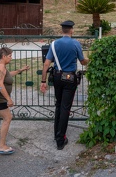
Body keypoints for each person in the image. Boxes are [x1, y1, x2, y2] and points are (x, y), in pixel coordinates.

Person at [40, 20, 89, 150]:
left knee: (58, 105)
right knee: (65, 108)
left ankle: (56, 134)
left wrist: (43, 81)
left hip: (57, 76)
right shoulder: (75, 44)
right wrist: (90, 59)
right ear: (71, 30)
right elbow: (83, 62)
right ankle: (61, 140)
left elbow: (46, 64)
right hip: (69, 78)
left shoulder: (54, 44)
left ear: (62, 31)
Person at [0, 47, 30, 155]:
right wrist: (8, 99)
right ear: (4, 56)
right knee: (7, 117)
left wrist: (21, 70)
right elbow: (0, 84)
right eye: (10, 56)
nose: (11, 58)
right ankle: (1, 146)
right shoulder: (1, 67)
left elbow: (8, 75)